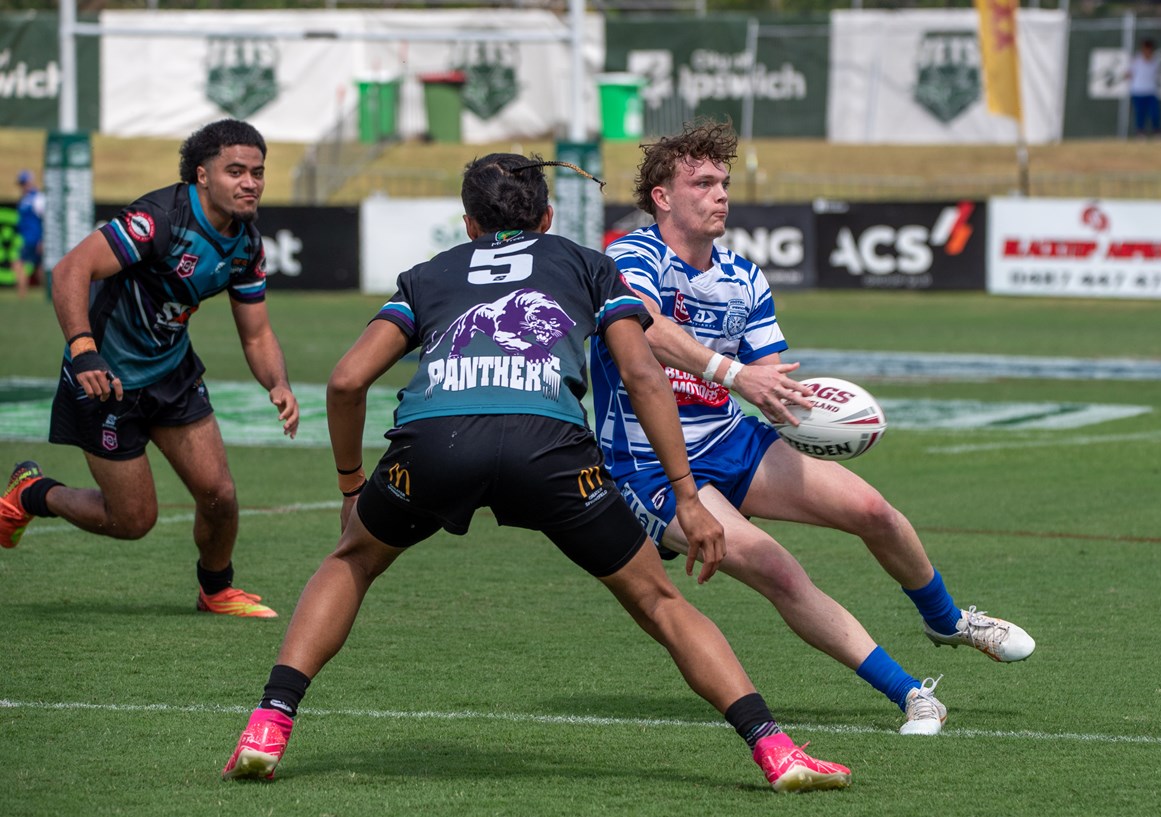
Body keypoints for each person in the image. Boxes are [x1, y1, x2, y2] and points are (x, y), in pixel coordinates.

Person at [221, 153, 851, 793]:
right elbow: (642, 375)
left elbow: (346, 381)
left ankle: (268, 724)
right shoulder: (590, 265)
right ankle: (775, 750)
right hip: (549, 449)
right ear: (547, 218)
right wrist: (688, 498)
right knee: (658, 602)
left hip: (437, 443)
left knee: (352, 561)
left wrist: (352, 486)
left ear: (468, 224)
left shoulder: (428, 274)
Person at [589, 118, 1035, 736]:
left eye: (724, 183)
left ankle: (947, 619)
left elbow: (768, 374)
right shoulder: (629, 257)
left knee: (873, 510)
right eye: (703, 183)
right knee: (778, 569)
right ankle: (912, 695)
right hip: (649, 465)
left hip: (730, 438)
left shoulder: (744, 277)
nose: (721, 195)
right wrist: (735, 374)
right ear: (662, 197)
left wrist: (803, 407)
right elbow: (646, 328)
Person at [0, 119, 299, 618]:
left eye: (258, 172)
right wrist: (83, 349)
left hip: (172, 373)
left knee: (219, 495)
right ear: (202, 175)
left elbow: (257, 334)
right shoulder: (159, 220)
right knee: (132, 520)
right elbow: (71, 269)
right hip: (105, 380)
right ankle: (31, 494)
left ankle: (216, 589)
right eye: (236, 171)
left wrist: (278, 383)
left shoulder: (246, 243)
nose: (250, 183)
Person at [13, 169, 46, 299]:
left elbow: (44, 220)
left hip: (34, 239)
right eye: (21, 184)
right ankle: (47, 293)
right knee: (39, 268)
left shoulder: (37, 198)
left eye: (24, 183)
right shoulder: (25, 199)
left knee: (18, 264)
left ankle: (22, 293)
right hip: (27, 239)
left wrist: (42, 239)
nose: (23, 186)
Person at [1127, 39, 1161, 139]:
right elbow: (1129, 73)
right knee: (1140, 114)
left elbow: (1158, 75)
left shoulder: (1156, 61)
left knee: (1155, 113)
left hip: (1151, 91)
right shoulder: (1136, 60)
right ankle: (1140, 133)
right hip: (1138, 92)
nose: (1147, 52)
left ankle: (1157, 132)